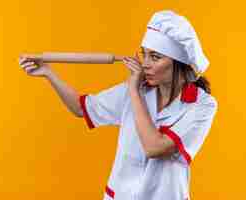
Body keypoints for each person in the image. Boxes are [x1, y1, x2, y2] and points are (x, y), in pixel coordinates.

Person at [19, 10, 218, 200]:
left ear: (179, 63)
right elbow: (81, 108)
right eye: (144, 54)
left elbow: (154, 147)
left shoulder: (202, 105)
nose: (145, 63)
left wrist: (133, 90)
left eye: (155, 57)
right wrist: (48, 73)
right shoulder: (137, 88)